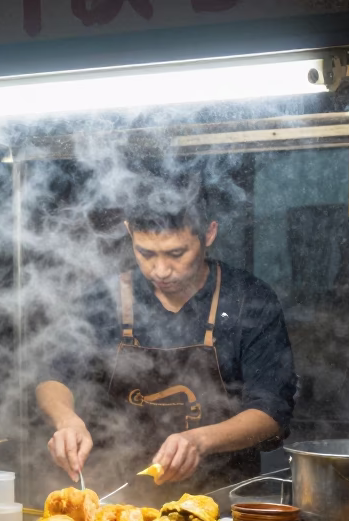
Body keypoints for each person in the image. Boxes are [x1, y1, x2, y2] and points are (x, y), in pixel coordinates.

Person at [36, 174, 297, 503]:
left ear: (209, 234)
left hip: (224, 500)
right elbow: (54, 376)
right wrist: (67, 420)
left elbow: (271, 413)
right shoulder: (104, 298)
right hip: (117, 495)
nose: (160, 270)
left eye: (176, 253)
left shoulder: (248, 300)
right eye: (145, 253)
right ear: (130, 232)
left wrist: (199, 441)